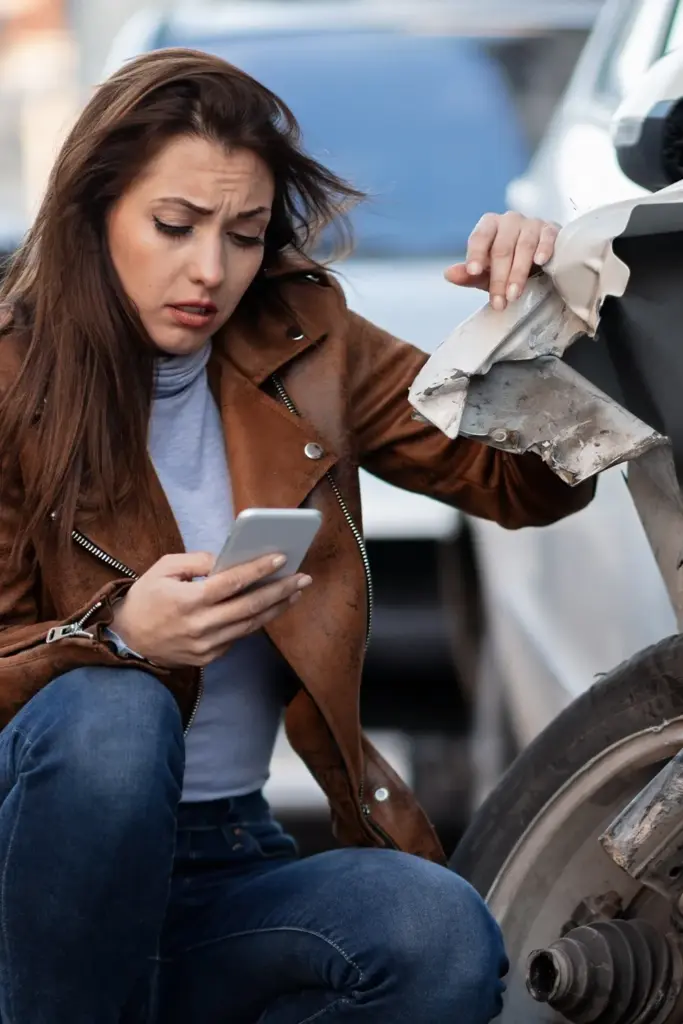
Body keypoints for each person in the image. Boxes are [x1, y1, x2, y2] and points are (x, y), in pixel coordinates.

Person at [0, 49, 593, 1024]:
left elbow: (517, 484)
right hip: (33, 880)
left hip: (224, 858)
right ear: (92, 212)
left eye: (242, 235)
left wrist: (533, 320)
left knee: (435, 936)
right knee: (115, 715)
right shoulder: (12, 376)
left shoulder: (305, 337)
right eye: (174, 226)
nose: (210, 270)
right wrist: (115, 638)